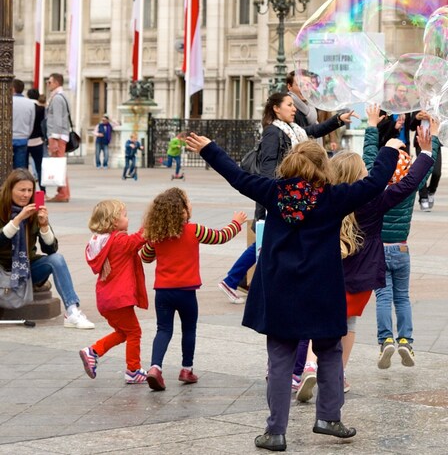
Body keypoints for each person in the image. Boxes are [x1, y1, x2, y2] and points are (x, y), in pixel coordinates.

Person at [186, 133, 399, 452]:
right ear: (322, 168)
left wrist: (209, 149)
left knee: (280, 357)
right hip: (322, 290)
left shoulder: (272, 192)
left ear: (288, 165)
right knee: (329, 351)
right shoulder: (334, 197)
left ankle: (275, 432)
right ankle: (328, 417)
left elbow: (237, 176)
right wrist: (389, 150)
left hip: (279, 289)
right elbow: (374, 183)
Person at [295, 108, 437, 400]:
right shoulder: (371, 201)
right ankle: (336, 375)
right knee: (348, 325)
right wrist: (426, 152)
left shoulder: (324, 198)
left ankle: (310, 366)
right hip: (359, 280)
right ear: (361, 175)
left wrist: (372, 126)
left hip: (327, 275)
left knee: (317, 322)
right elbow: (409, 185)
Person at [217, 93, 355, 305]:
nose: (293, 109)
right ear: (276, 109)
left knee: (267, 242)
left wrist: (337, 120)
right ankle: (233, 279)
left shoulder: (293, 131)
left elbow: (312, 132)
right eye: (289, 105)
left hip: (287, 195)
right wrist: (270, 199)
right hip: (281, 197)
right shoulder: (273, 132)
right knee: (266, 242)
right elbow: (267, 168)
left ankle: (235, 279)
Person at [139, 187, 245, 391]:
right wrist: (236, 223)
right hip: (187, 292)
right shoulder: (194, 230)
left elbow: (145, 257)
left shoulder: (158, 235)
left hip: (163, 292)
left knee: (163, 330)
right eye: (188, 202)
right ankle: (186, 369)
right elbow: (221, 236)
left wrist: (150, 240)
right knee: (189, 329)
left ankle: (155, 368)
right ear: (183, 210)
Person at [368, 106, 440, 370]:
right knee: (403, 297)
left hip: (377, 249)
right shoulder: (410, 187)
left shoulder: (374, 185)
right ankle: (406, 341)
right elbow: (426, 168)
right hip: (401, 249)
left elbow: (368, 157)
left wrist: (371, 125)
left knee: (383, 297)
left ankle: (386, 339)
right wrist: (433, 139)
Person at [0, 169, 94, 328]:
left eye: (30, 190)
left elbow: (51, 249)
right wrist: (17, 220)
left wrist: (44, 226)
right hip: (2, 268)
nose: (26, 194)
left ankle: (72, 311)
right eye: (22, 190)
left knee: (56, 260)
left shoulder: (33, 210)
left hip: (26, 269)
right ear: (10, 190)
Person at [79, 199, 150, 384]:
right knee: (134, 332)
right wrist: (151, 221)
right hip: (118, 299)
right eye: (124, 215)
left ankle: (93, 351)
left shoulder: (101, 242)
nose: (128, 218)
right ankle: (133, 370)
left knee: (123, 332)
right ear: (113, 221)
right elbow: (138, 239)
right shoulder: (118, 240)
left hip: (106, 300)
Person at [44, 73, 72, 202]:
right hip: (60, 135)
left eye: (49, 82)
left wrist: (54, 139)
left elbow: (57, 119)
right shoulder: (60, 96)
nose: (48, 84)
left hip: (58, 136)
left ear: (56, 83)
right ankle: (62, 192)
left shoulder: (57, 98)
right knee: (59, 164)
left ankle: (63, 193)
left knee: (59, 164)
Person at [410, 111, 442, 212]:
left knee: (437, 172)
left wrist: (431, 118)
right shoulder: (417, 107)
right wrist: (416, 117)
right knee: (422, 170)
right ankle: (423, 198)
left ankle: (431, 191)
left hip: (434, 141)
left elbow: (444, 124)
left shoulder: (438, 106)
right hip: (421, 142)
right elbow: (411, 127)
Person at [12, 79, 35, 170]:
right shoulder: (30, 103)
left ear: (13, 89)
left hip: (7, 138)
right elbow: (31, 122)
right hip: (23, 137)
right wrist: (26, 135)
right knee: (20, 168)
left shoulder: (6, 101)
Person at [26, 88, 46, 182]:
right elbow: (44, 124)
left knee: (24, 168)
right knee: (39, 167)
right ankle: (43, 191)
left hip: (25, 140)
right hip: (38, 140)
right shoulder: (42, 109)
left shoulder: (25, 107)